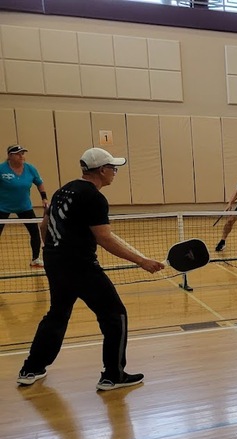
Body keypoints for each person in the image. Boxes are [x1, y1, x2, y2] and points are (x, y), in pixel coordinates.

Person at [17, 148, 165, 390]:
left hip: (54, 260)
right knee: (115, 315)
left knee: (57, 314)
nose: (115, 173)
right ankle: (113, 375)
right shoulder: (94, 198)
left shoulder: (62, 190)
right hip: (80, 266)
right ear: (102, 170)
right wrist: (142, 261)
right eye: (113, 168)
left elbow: (45, 225)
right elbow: (104, 238)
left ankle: (30, 369)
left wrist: (54, 251)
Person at [0, 145, 48, 267]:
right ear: (10, 156)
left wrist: (44, 198)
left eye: (22, 153)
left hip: (24, 206)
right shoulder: (2, 169)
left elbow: (39, 183)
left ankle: (35, 259)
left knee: (34, 232)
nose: (21, 156)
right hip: (3, 207)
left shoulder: (30, 169)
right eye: (18, 154)